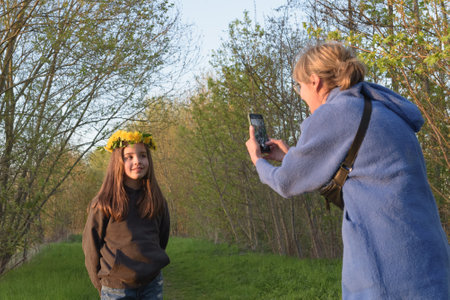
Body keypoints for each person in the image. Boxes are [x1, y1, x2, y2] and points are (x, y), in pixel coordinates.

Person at [245, 42, 449, 299]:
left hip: (389, 267)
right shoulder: (382, 108)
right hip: (430, 260)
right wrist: (291, 155)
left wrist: (258, 161)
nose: (300, 94)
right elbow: (370, 172)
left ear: (315, 81)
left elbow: (286, 183)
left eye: (300, 86)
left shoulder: (334, 113)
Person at [83, 130, 170, 300]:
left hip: (152, 285)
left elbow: (161, 238)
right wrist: (100, 284)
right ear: (118, 162)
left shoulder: (156, 200)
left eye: (142, 155)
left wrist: (151, 263)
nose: (137, 161)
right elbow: (91, 247)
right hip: (116, 288)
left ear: (149, 160)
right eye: (129, 157)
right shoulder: (104, 203)